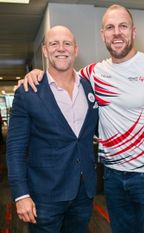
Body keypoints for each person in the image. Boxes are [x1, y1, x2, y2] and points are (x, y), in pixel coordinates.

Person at [22, 4, 144, 233]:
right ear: (102, 34)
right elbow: (60, 74)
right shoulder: (92, 73)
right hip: (112, 177)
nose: (117, 33)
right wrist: (38, 74)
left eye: (123, 26)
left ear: (133, 31)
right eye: (110, 28)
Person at [6, 26, 98, 233]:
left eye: (67, 43)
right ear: (45, 51)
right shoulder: (28, 91)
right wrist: (21, 194)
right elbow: (15, 149)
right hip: (44, 195)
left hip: (83, 192)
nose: (61, 48)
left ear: (75, 50)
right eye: (53, 44)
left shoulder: (88, 87)